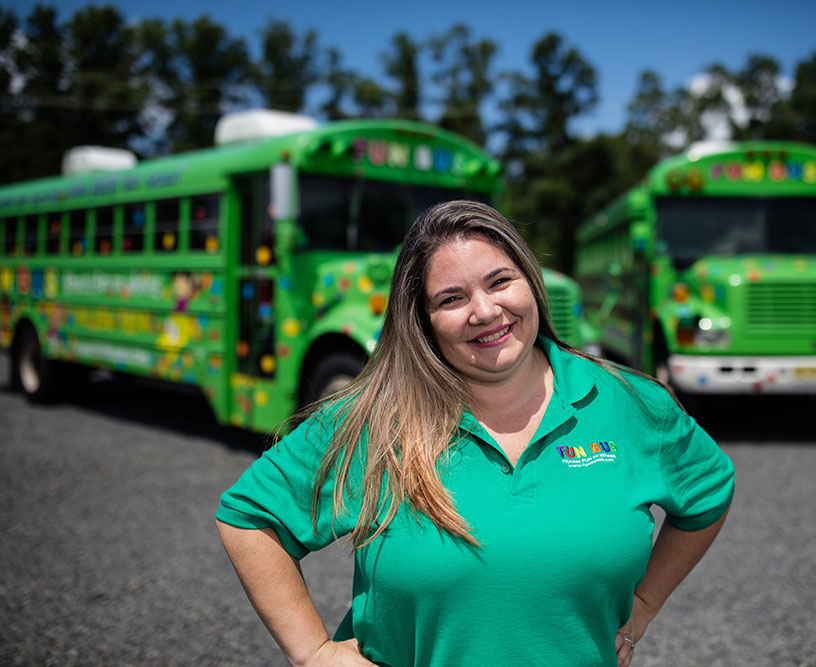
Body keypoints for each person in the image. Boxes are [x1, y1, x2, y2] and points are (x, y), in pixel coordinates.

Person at [216, 200, 734, 667]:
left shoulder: (629, 401)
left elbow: (708, 491)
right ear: (423, 320)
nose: (485, 311)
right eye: (451, 298)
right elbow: (249, 516)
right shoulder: (377, 418)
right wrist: (313, 652)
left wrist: (643, 605)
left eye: (500, 281)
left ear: (531, 280)